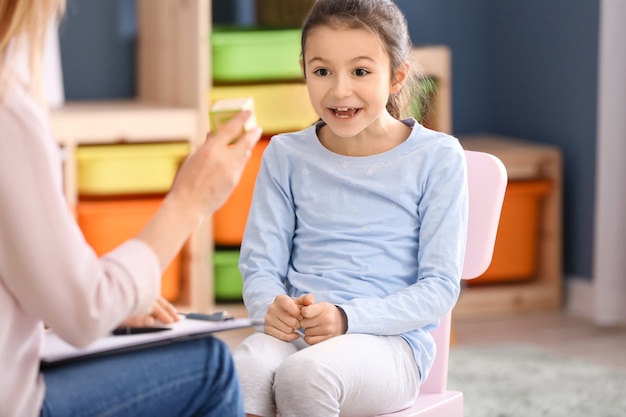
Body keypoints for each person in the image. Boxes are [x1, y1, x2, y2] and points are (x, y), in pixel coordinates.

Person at [0, 0, 262, 416]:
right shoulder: (8, 114)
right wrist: (190, 201)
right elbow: (85, 311)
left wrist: (112, 300)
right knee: (212, 365)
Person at [232, 0, 469, 416]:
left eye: (360, 71)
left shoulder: (438, 157)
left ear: (396, 76)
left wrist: (345, 318)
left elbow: (438, 289)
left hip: (390, 345)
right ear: (304, 70)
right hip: (297, 334)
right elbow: (259, 265)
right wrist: (270, 306)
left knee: (305, 376)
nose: (339, 90)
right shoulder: (285, 154)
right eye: (322, 71)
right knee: (244, 369)